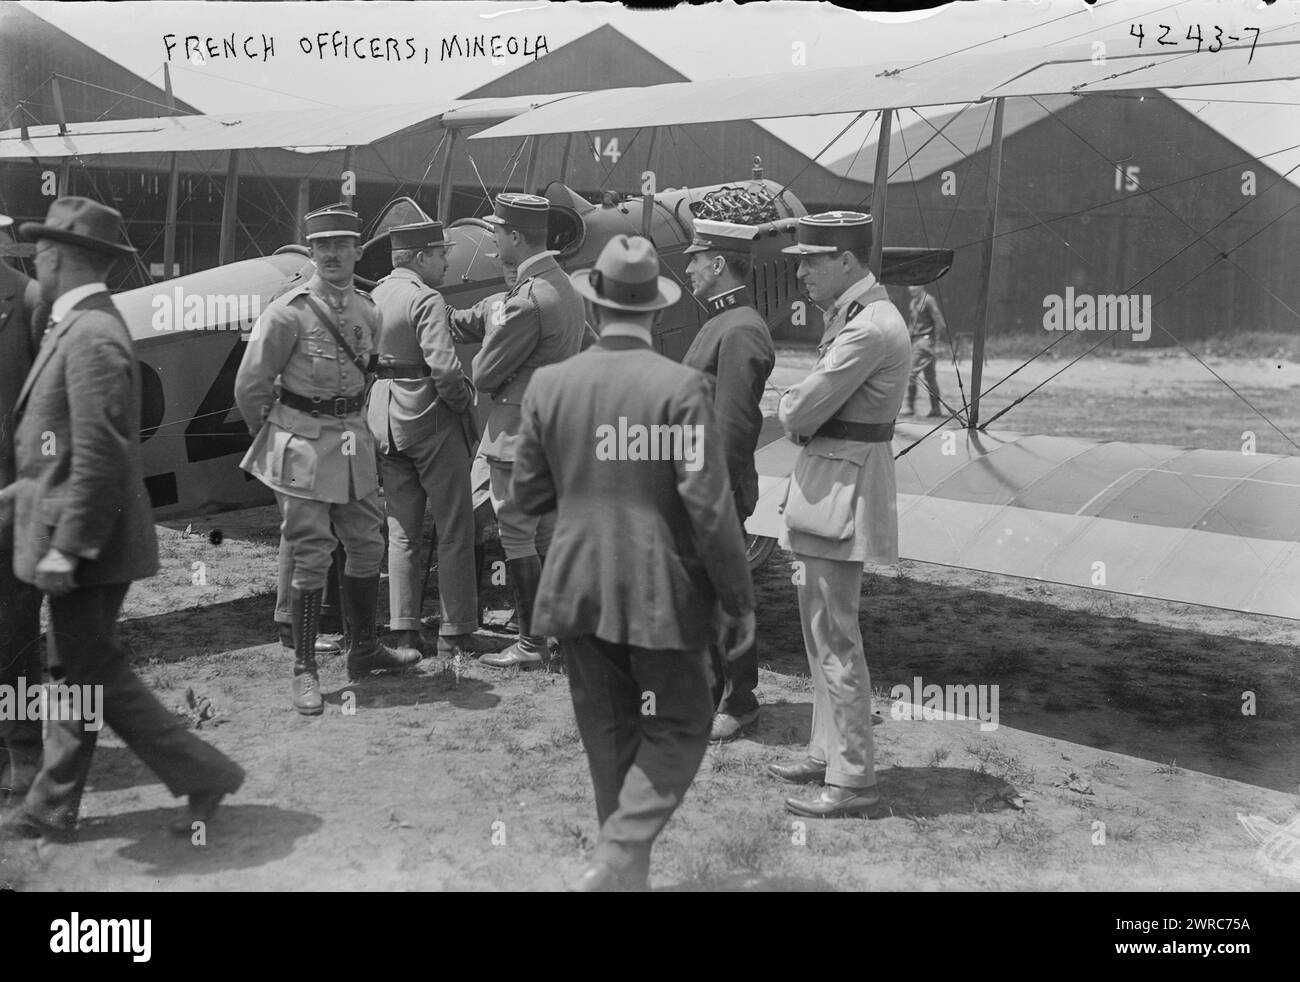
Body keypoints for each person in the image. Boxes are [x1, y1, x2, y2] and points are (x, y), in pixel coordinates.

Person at [513, 235, 756, 890]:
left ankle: (618, 869)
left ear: (593, 311)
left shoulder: (551, 385)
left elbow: (527, 495)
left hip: (576, 585)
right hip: (661, 591)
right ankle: (619, 864)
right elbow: (710, 510)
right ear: (654, 313)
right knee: (681, 724)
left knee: (610, 738)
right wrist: (737, 599)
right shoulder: (681, 388)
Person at [0, 197, 244, 840]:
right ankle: (52, 803)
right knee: (77, 668)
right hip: (85, 533)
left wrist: (66, 547)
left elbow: (102, 453)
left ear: (62, 257)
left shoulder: (92, 334)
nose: (36, 262)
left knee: (93, 671)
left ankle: (202, 771)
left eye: (43, 252)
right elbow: (59, 452)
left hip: (94, 540)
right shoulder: (78, 326)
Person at [235, 203, 418, 716]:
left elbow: (366, 374)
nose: (332, 254)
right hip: (301, 448)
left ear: (358, 250)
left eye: (342, 245)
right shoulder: (287, 312)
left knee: (366, 544)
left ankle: (363, 650)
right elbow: (250, 387)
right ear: (311, 252)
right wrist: (278, 441)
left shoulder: (368, 310)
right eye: (322, 246)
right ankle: (306, 670)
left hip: (353, 442)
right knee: (312, 553)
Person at [770, 211, 910, 817]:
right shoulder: (855, 318)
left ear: (847, 261)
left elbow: (798, 413)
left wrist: (788, 405)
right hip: (826, 489)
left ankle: (853, 778)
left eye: (812, 260)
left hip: (840, 495)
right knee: (817, 635)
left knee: (836, 639)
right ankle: (826, 750)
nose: (801, 272)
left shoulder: (867, 329)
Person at [366, 221, 494, 661]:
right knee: (455, 528)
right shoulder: (427, 298)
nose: (446, 260)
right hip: (429, 418)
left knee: (401, 531)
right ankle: (455, 632)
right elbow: (443, 368)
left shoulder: (376, 295)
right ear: (420, 257)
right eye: (441, 252)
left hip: (384, 415)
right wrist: (464, 403)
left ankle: (404, 632)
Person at [471, 193, 586, 670]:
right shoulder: (564, 287)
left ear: (515, 237)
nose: (494, 239)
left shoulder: (527, 300)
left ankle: (531, 643)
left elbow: (482, 373)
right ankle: (557, 635)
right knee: (545, 535)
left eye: (498, 231)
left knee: (516, 535)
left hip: (518, 437)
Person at [682, 218, 776, 741]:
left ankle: (738, 700)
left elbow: (736, 425)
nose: (688, 267)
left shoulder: (739, 327)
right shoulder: (722, 321)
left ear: (719, 265)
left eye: (696, 259)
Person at [0, 216, 47, 807]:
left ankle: (22, 749)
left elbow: (50, 412)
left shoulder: (32, 302)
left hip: (12, 502)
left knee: (12, 634)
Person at [904, 283, 946, 418]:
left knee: (910, 373)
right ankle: (936, 409)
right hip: (915, 341)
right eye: (910, 286)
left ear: (922, 285)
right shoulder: (913, 302)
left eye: (915, 286)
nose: (911, 288)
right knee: (930, 377)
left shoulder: (928, 300)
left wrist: (934, 342)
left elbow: (939, 322)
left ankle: (909, 407)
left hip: (925, 341)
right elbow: (912, 324)